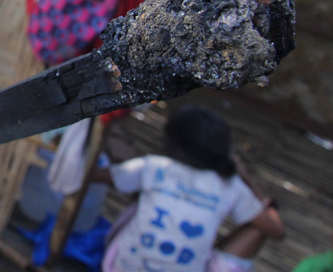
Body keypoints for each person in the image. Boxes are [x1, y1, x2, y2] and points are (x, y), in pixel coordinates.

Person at [94, 104, 285, 272]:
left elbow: (94, 176)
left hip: (119, 267)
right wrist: (258, 192)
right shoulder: (230, 186)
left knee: (142, 196)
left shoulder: (154, 167)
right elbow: (276, 231)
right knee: (257, 230)